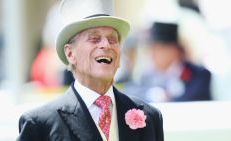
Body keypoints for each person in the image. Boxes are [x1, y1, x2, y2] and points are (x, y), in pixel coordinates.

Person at [17, 0, 164, 141]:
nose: (106, 45)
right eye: (94, 39)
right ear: (70, 54)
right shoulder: (40, 125)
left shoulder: (149, 117)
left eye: (113, 40)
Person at [139, 22, 212, 102]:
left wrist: (167, 98)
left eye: (157, 49)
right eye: (151, 49)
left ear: (173, 50)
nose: (152, 55)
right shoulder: (148, 75)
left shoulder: (199, 75)